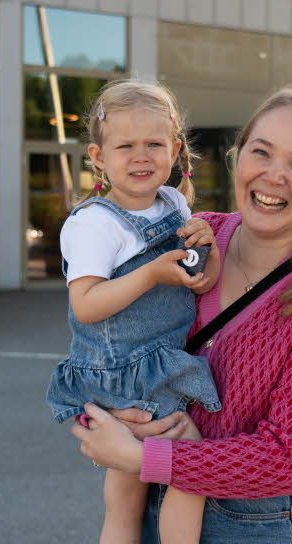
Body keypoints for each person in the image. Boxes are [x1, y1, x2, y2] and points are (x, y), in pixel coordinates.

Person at [71, 84, 292, 543]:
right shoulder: (191, 235)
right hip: (145, 510)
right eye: (262, 152)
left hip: (253, 526)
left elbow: (290, 458)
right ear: (239, 157)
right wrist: (108, 421)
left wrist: (147, 457)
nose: (274, 176)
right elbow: (108, 339)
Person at [45, 80, 223, 544]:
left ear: (175, 149)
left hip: (160, 359)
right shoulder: (94, 224)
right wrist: (148, 275)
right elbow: (85, 306)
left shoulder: (174, 203)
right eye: (125, 146)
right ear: (99, 157)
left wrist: (208, 251)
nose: (141, 156)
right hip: (122, 371)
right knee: (183, 468)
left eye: (154, 144)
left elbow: (198, 280)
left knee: (130, 488)